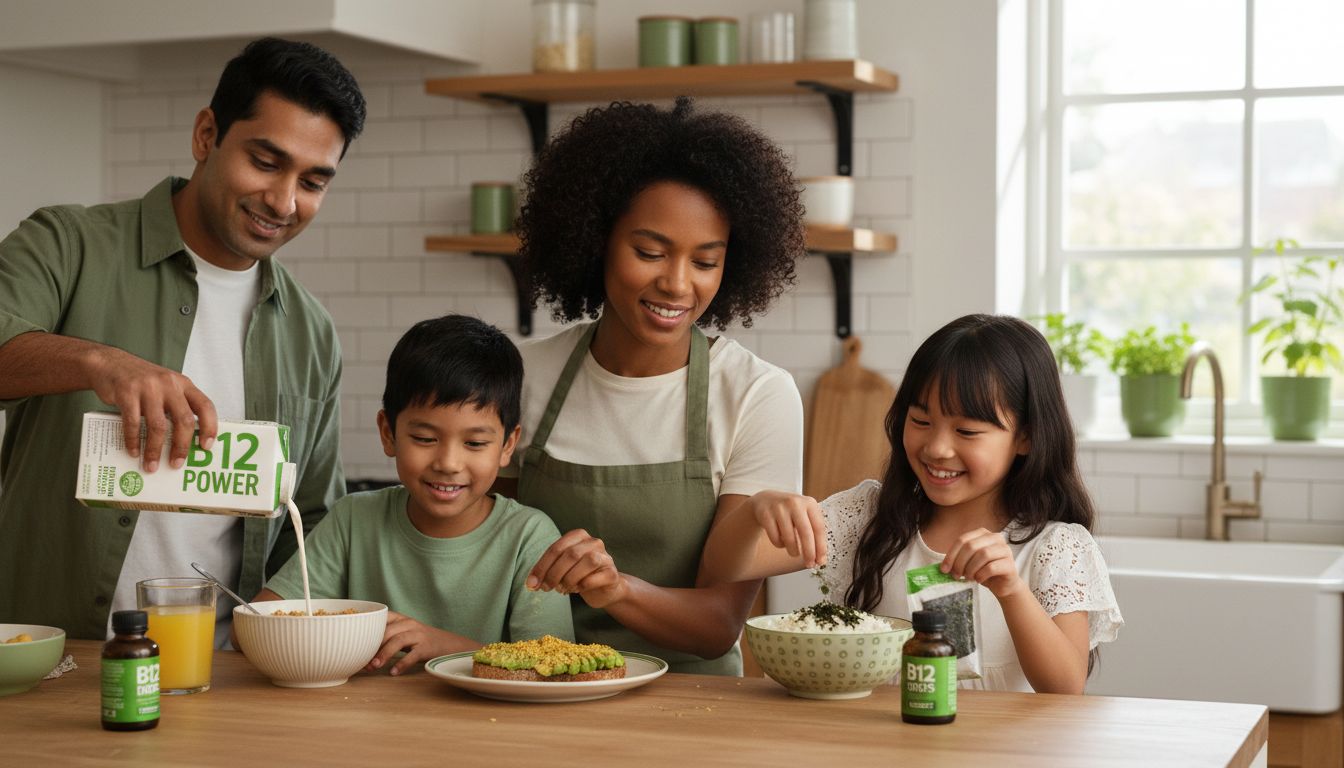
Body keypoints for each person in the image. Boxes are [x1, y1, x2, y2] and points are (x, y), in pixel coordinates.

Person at [0, 37, 365, 645]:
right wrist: (102, 363)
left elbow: (316, 521)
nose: (284, 201)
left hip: (219, 677)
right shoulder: (67, 243)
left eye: (313, 181)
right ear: (206, 136)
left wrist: (271, 638)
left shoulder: (311, 330)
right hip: (47, 660)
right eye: (266, 162)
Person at [497, 97, 808, 676]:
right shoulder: (525, 376)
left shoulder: (758, 395)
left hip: (692, 709)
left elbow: (718, 627)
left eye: (705, 262)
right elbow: (488, 564)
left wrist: (616, 589)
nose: (676, 284)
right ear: (595, 240)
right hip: (537, 693)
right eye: (649, 252)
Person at [700, 314, 1123, 693]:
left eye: (967, 432)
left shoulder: (1056, 546)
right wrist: (755, 512)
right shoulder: (870, 516)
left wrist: (1012, 590)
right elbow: (723, 568)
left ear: (1026, 437)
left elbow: (1065, 687)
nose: (937, 448)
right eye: (920, 421)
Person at [251, 315, 573, 676]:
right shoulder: (352, 521)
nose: (449, 463)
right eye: (424, 439)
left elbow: (555, 667)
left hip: (486, 728)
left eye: (475, 443)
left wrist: (445, 647)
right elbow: (254, 624)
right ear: (388, 433)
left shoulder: (530, 537)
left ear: (507, 446)